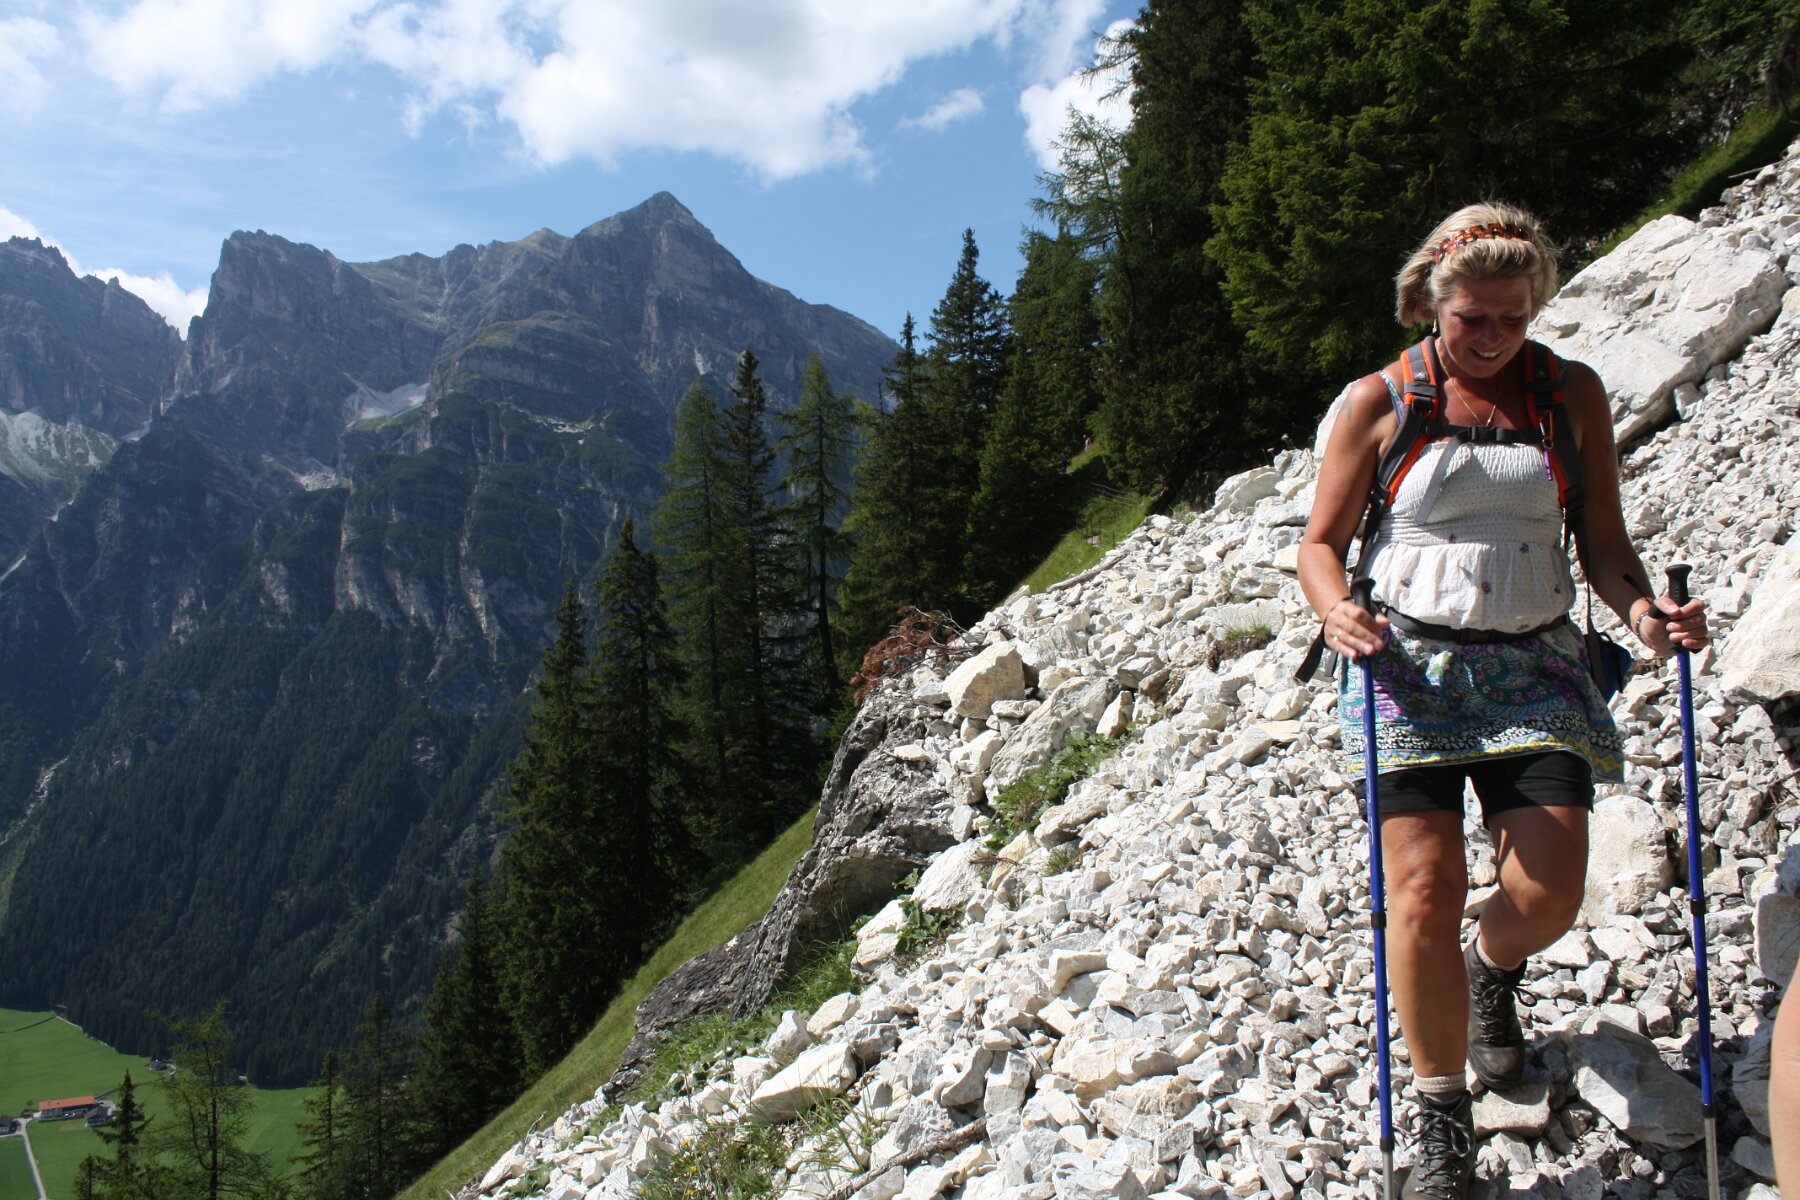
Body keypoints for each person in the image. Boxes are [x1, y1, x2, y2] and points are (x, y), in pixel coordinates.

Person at [1297, 202, 1710, 1198]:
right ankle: (1441, 1117)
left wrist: (1647, 616)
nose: (1490, 337)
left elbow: (1603, 541)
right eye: (1471, 319)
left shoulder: (1570, 394)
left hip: (1536, 663)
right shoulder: (1380, 400)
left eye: (1511, 319)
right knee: (1421, 891)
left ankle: (1491, 966)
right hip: (1409, 669)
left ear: (1536, 305)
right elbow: (1319, 544)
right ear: (1431, 303)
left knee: (1552, 892)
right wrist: (1335, 610)